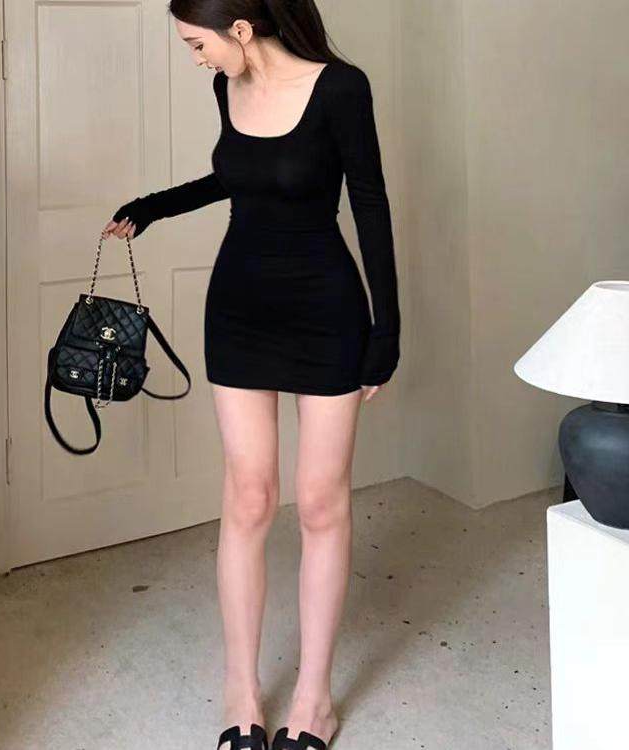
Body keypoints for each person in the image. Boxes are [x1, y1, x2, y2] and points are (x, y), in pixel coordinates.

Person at [102, 2, 400, 748]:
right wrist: (155, 207)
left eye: (196, 43)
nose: (195, 58)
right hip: (238, 310)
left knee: (321, 503)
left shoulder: (342, 88)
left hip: (326, 310)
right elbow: (239, 176)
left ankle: (313, 699)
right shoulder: (225, 86)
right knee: (248, 496)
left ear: (239, 28)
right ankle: (240, 689)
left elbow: (370, 204)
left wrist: (387, 331)